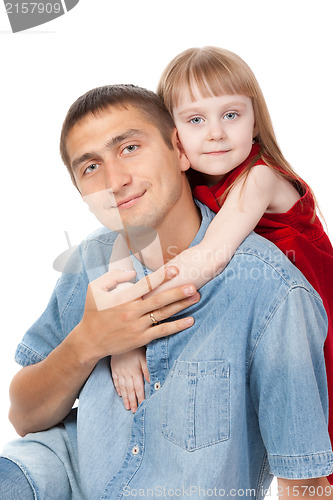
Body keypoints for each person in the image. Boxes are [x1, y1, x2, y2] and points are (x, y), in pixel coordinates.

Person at [0, 84, 333, 500]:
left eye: (129, 148)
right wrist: (89, 342)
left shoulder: (270, 291)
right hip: (64, 473)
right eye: (90, 168)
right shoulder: (92, 259)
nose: (115, 181)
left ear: (179, 151)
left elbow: (306, 481)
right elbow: (24, 416)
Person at [110, 48, 333, 472]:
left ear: (255, 120)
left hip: (312, 321)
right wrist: (116, 338)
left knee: (315, 433)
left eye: (231, 115)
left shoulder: (259, 176)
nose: (215, 133)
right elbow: (124, 241)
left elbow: (209, 258)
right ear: (173, 134)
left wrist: (127, 331)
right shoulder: (182, 181)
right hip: (253, 324)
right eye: (196, 120)